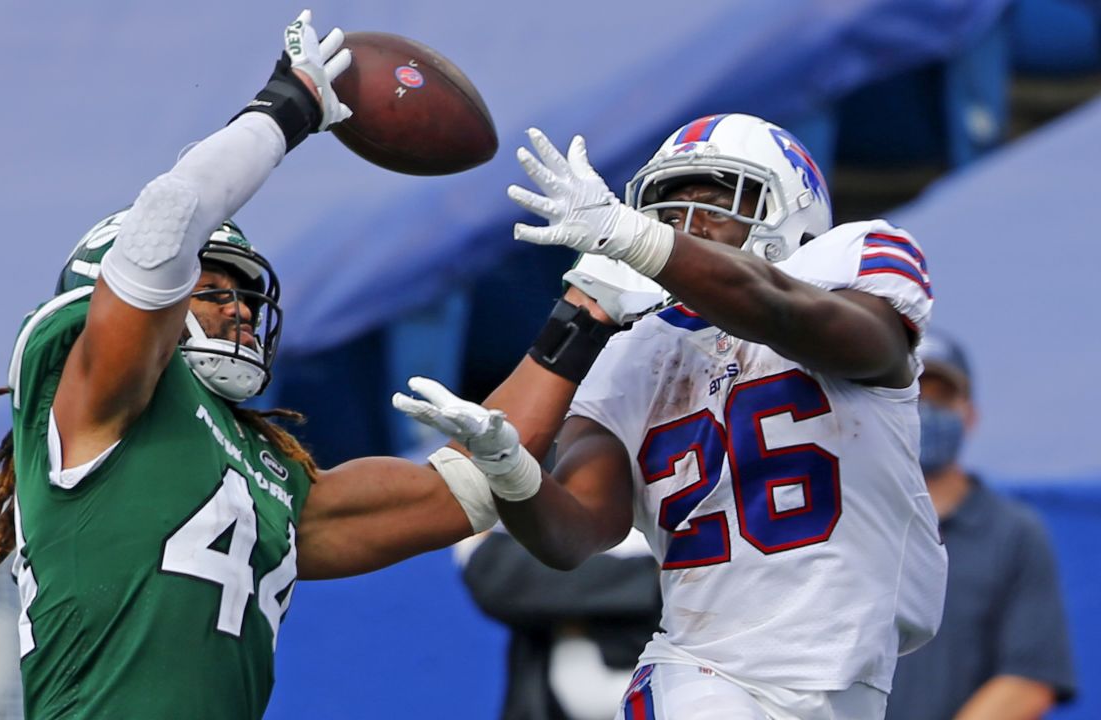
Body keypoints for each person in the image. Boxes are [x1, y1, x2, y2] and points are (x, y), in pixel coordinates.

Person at [0, 12, 509, 719]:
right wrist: (286, 106)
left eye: (244, 294)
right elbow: (170, 216)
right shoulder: (84, 385)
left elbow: (463, 494)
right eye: (213, 290)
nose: (239, 310)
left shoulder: (256, 471)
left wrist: (587, 317)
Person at [395, 114, 949, 720]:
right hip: (706, 679)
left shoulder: (850, 265)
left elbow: (803, 321)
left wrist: (643, 242)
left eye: (715, 201)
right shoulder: (635, 352)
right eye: (666, 209)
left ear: (792, 211)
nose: (686, 224)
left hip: (847, 686)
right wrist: (511, 470)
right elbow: (574, 534)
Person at [884, 332, 1075, 720]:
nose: (926, 411)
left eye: (942, 396)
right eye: (914, 395)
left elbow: (1030, 678)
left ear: (970, 414)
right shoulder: (842, 523)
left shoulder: (1014, 534)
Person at [458, 526, 661, 720]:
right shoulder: (538, 495)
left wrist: (575, 609)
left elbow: (685, 596)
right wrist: (648, 583)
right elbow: (495, 571)